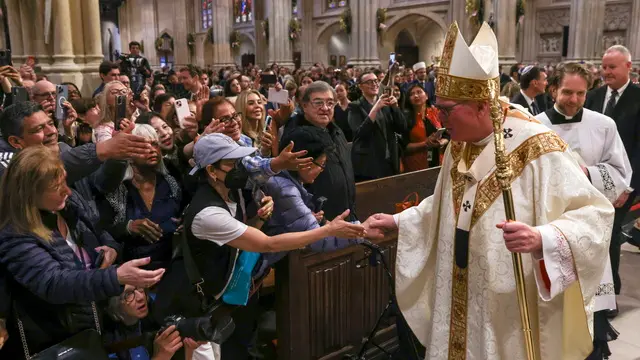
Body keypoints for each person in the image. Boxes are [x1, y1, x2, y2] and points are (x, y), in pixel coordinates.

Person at [363, 22, 615, 359]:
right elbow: (445, 206)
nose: (439, 119)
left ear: (483, 106)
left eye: (447, 110)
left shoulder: (538, 148)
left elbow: (595, 214)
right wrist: (398, 223)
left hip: (507, 301)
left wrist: (544, 238)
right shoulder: (459, 142)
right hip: (459, 287)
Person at [155, 133, 365, 360]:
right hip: (185, 307)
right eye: (230, 164)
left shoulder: (228, 192)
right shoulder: (208, 212)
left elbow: (241, 236)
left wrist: (260, 219)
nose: (237, 169)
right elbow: (267, 244)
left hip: (209, 302)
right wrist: (327, 230)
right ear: (211, 171)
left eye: (238, 162)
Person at [0, 146, 165, 359]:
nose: (67, 191)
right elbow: (55, 284)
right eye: (56, 187)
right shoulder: (16, 234)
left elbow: (98, 231)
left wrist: (111, 250)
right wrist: (115, 276)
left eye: (65, 182)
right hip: (55, 341)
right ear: (30, 193)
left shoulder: (66, 207)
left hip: (89, 330)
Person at [536, 62, 631, 360]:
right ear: (553, 89)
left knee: (588, 302)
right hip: (549, 226)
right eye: (567, 92)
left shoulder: (603, 125)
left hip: (589, 227)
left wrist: (586, 173)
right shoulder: (535, 125)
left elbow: (620, 172)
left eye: (581, 93)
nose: (574, 100)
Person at [584, 45, 640, 306]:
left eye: (612, 67)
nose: (606, 72)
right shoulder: (593, 96)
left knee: (612, 234)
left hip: (624, 182)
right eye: (604, 67)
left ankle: (610, 295)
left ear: (628, 67)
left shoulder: (638, 98)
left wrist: (627, 188)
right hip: (592, 179)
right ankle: (590, 288)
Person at [282, 81, 357, 222]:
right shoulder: (298, 137)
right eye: (318, 103)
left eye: (330, 103)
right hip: (319, 220)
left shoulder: (336, 130)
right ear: (304, 106)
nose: (325, 108)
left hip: (346, 212)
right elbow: (294, 183)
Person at [348, 71, 407, 182]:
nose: (374, 84)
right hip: (370, 163)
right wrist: (375, 108)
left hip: (390, 159)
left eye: (376, 81)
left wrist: (395, 107)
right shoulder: (355, 106)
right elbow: (360, 134)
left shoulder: (386, 104)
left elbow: (402, 128)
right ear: (361, 86)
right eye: (369, 82)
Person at [402, 84, 447, 171]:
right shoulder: (405, 118)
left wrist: (442, 142)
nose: (415, 96)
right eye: (412, 94)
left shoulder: (435, 112)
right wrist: (425, 144)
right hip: (416, 163)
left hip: (437, 158)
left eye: (419, 92)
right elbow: (404, 147)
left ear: (426, 96)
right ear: (409, 99)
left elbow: (447, 134)